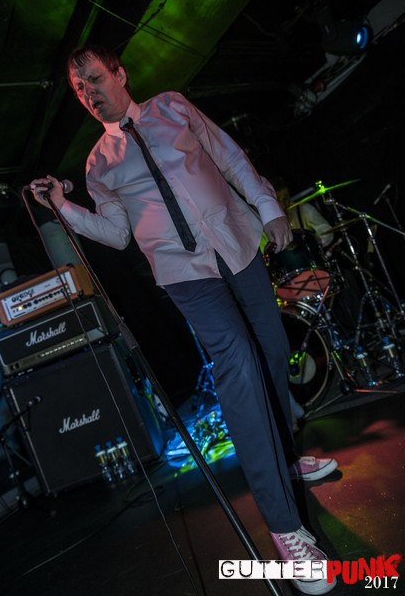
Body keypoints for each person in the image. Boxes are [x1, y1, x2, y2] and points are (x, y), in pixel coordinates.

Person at [31, 46, 337, 594]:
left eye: (95, 79)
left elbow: (229, 156)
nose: (89, 93)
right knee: (238, 363)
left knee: (271, 351)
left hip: (238, 243)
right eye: (80, 90)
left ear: (120, 73)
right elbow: (116, 234)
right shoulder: (99, 163)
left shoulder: (172, 106)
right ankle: (284, 527)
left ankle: (285, 459)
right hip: (184, 273)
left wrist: (268, 207)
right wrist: (64, 207)